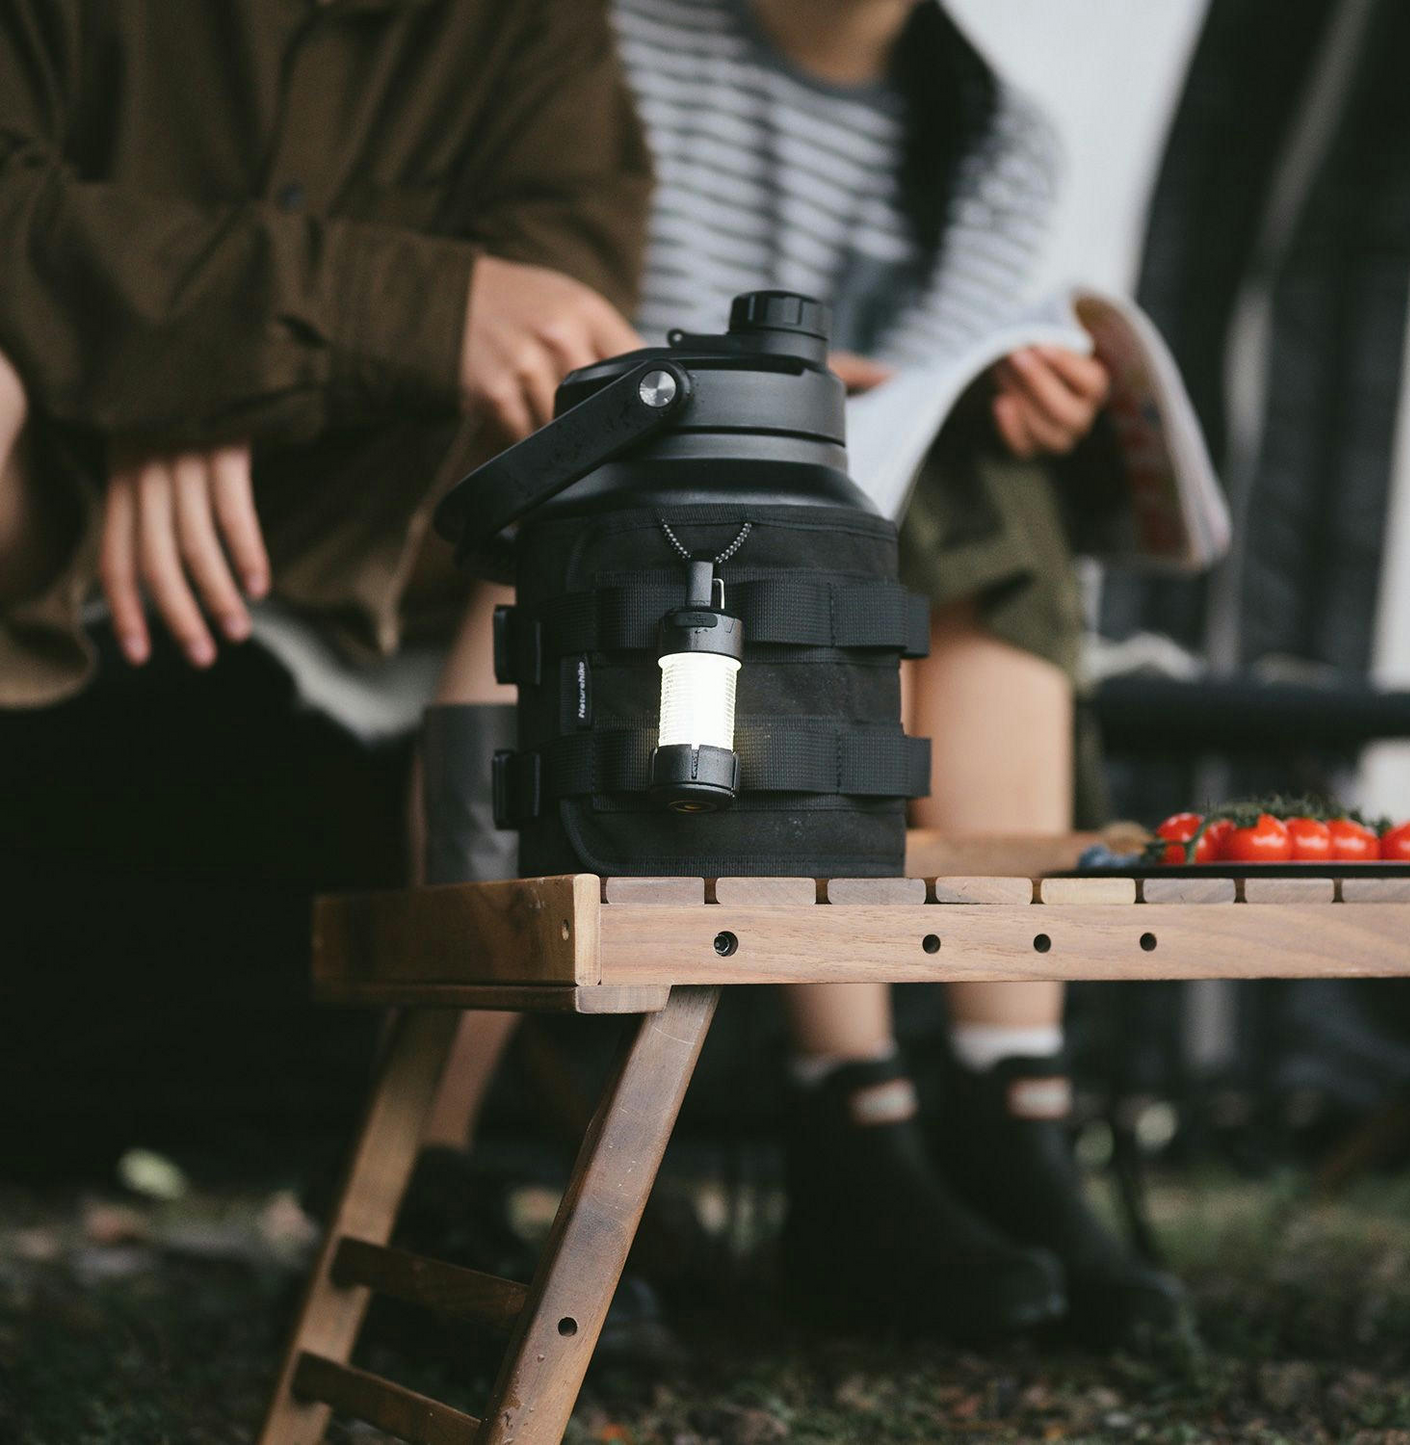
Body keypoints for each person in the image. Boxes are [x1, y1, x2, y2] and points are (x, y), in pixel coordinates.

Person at [426, 0, 1185, 1348]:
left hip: (842, 543)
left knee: (973, 482)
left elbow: (927, 386)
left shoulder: (994, 130)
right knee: (824, 537)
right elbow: (556, 319)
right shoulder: (617, 42)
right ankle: (895, 1109)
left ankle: (980, 1110)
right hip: (614, 505)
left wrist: (1007, 382)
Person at [0, 0, 650, 711]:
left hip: (370, 560)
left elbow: (557, 336)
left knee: (589, 472)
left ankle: (472, 817)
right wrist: (195, 356)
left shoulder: (538, 27)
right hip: (51, 498)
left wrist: (199, 357)